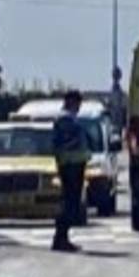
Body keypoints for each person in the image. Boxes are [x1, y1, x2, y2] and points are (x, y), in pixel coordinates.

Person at [51, 90, 90, 253]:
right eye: (77, 103)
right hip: (71, 165)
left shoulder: (68, 119)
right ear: (71, 102)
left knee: (70, 201)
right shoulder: (66, 120)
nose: (79, 107)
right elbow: (71, 142)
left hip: (72, 163)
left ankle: (62, 237)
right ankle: (60, 238)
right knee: (69, 201)